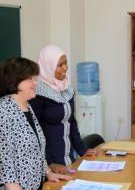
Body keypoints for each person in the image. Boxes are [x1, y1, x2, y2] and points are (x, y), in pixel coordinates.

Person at [0, 57, 72, 190]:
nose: (35, 83)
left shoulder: (27, 107)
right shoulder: (0, 110)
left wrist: (48, 173)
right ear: (12, 81)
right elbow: (2, 160)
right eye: (29, 79)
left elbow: (37, 149)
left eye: (34, 78)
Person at [30, 45, 96, 173]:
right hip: (50, 165)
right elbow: (35, 132)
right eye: (60, 65)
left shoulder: (67, 88)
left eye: (65, 63)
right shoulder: (37, 93)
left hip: (69, 160)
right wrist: (50, 164)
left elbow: (72, 122)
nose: (65, 68)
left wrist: (83, 150)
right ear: (47, 66)